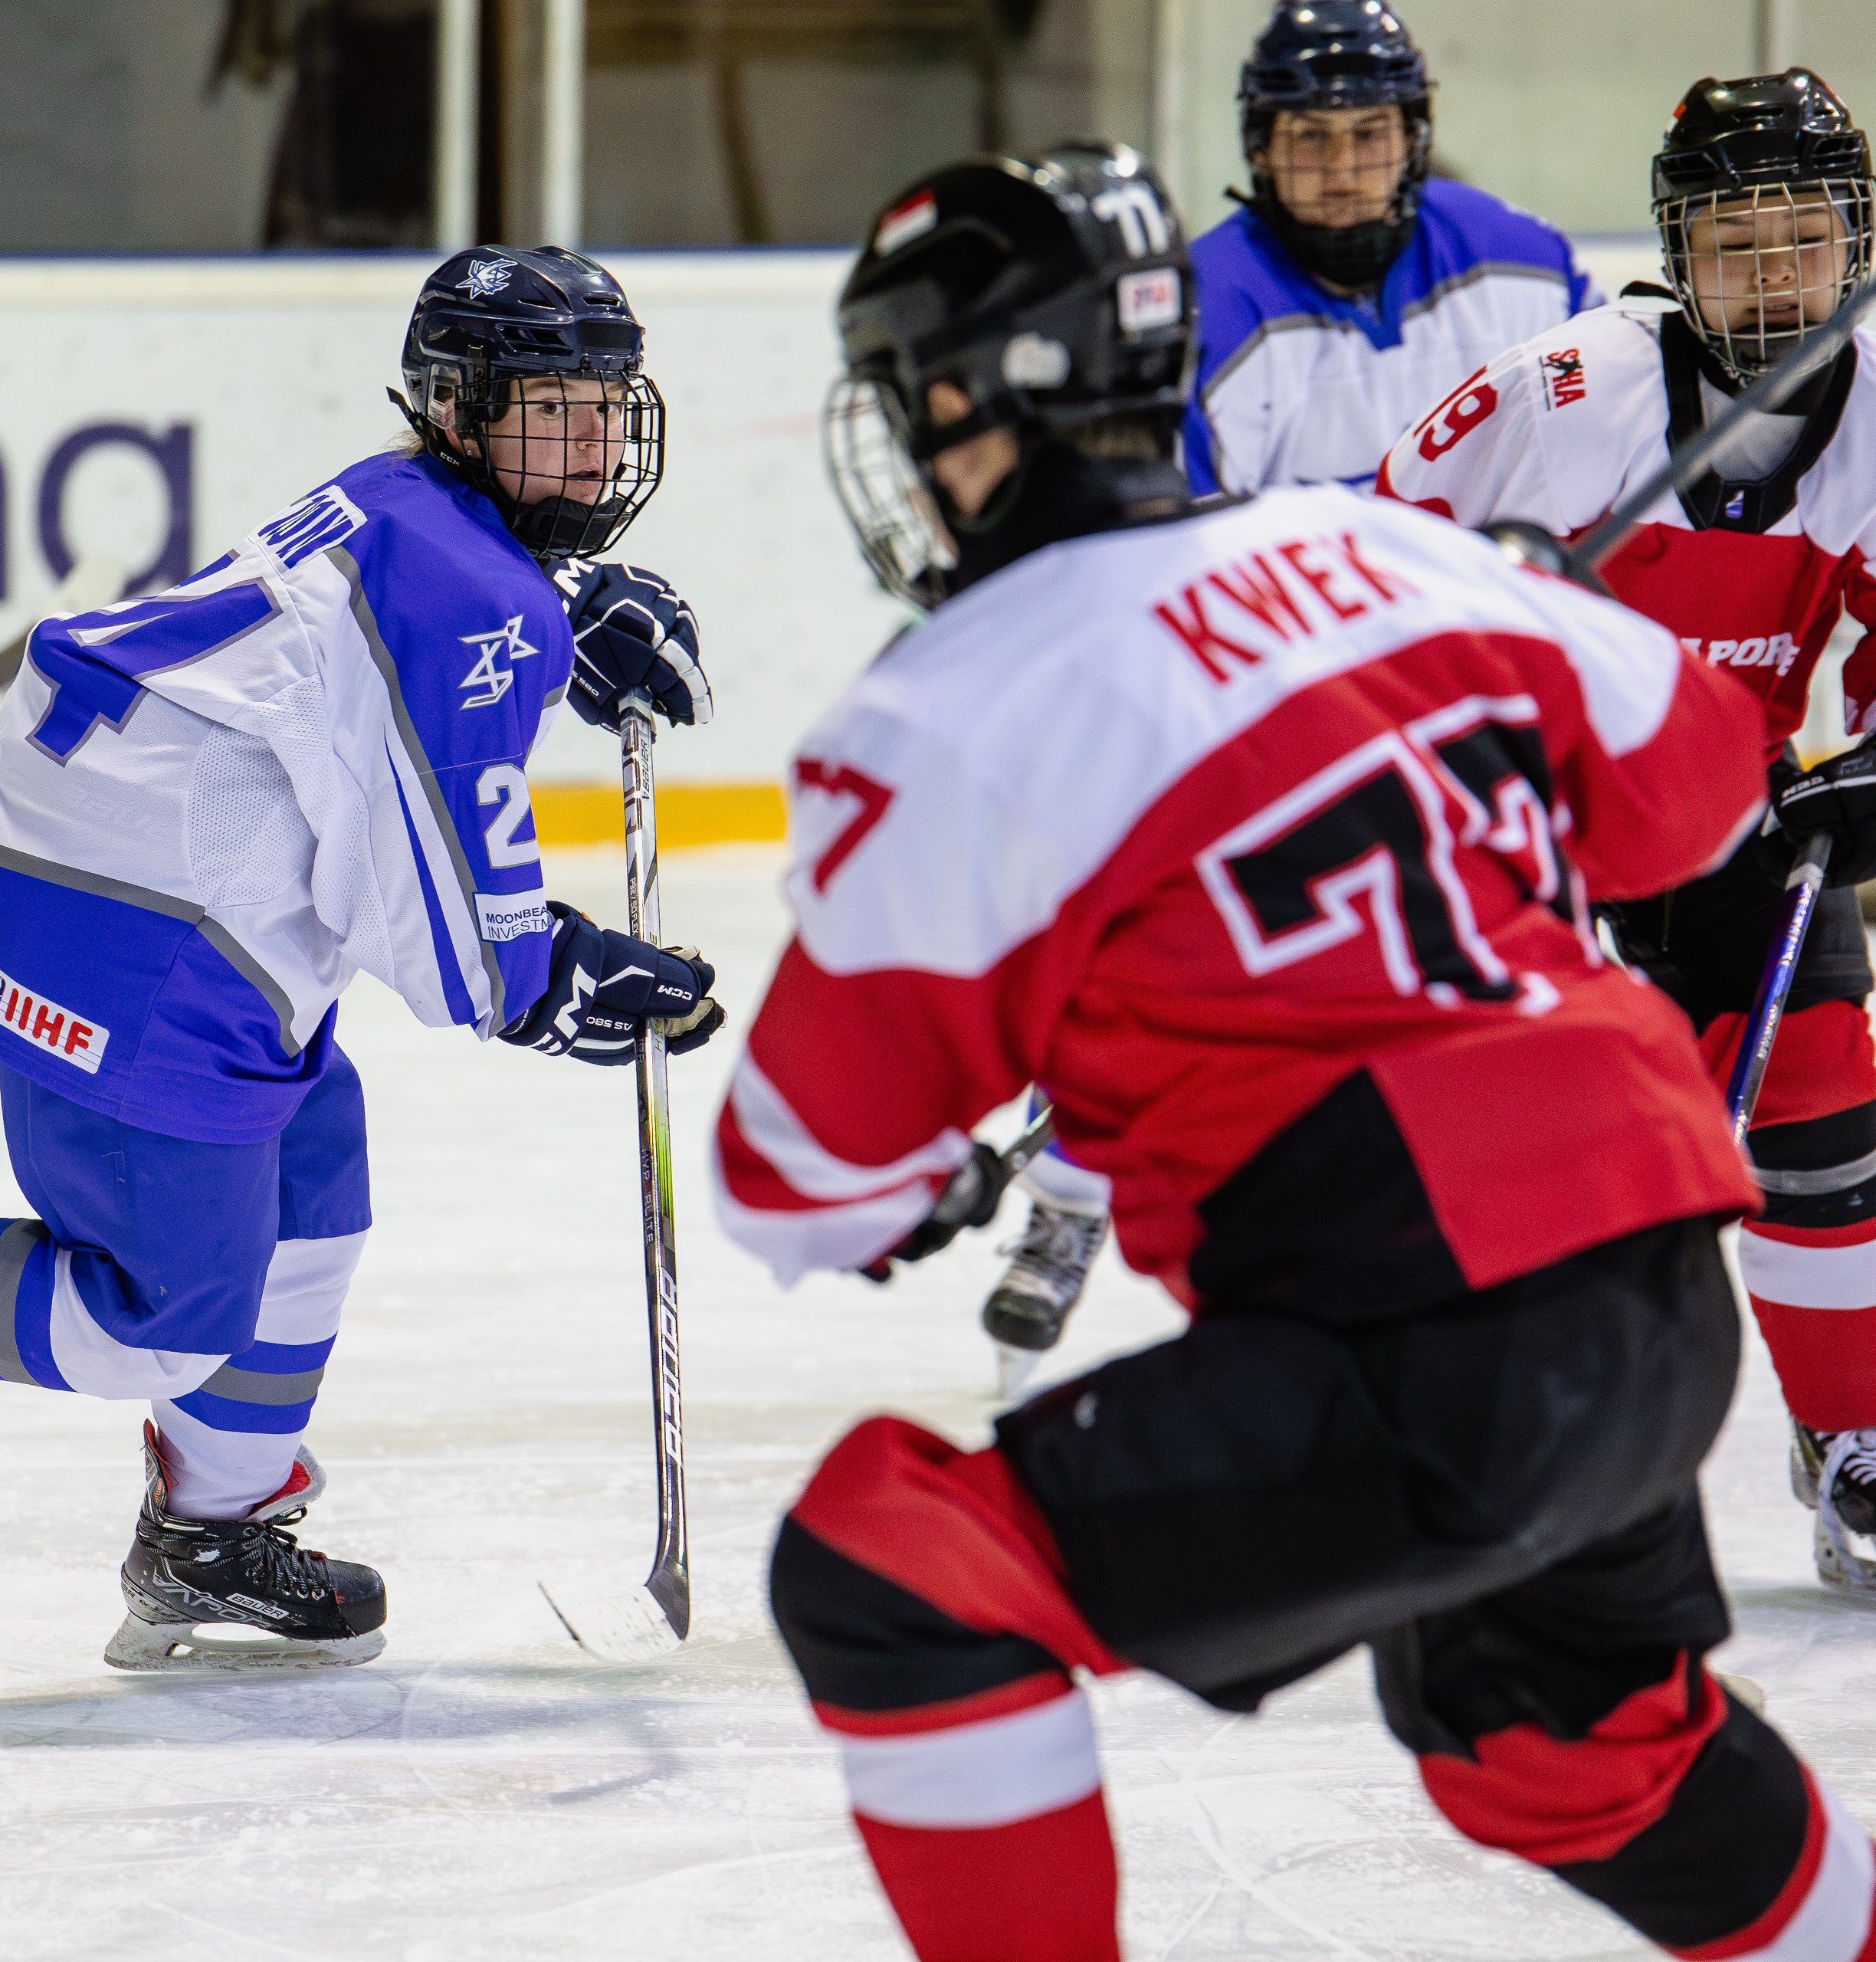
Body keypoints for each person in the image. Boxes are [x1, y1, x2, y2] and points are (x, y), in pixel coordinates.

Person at [732, 142, 1875, 1960]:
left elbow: (789, 1180)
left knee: (896, 1566)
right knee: (1565, 1753)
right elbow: (1695, 798)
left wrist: (924, 1184)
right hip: (1658, 1288)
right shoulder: (1380, 554)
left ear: (966, 402)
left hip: (1430, 1329)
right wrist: (1532, 613)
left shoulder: (940, 707)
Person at [0, 247, 722, 1674]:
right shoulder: (470, 581)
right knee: (159, 1326)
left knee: (313, 1202)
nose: (589, 446)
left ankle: (210, 1534)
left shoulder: (423, 511)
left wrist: (554, 616)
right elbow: (450, 924)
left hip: (130, 878)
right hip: (124, 927)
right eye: (551, 408)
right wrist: (559, 975)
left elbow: (354, 683)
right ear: (460, 410)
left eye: (606, 409)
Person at [989, 0, 1603, 1365]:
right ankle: (1075, 1189)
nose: (1338, 164)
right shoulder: (1199, 306)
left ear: (1414, 137)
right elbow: (1181, 549)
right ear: (1258, 149)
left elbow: (1606, 452)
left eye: (1368, 135)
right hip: (1280, 702)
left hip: (1478, 696)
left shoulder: (1524, 262)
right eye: (1307, 138)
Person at [1378, 67, 1876, 1590]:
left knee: (1823, 1088)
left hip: (1729, 807)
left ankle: (1853, 1430)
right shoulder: (1563, 396)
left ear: (1856, 243)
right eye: (1739, 241)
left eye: (1807, 236)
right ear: (1679, 247)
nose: (1777, 275)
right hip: (1518, 820)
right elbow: (1374, 576)